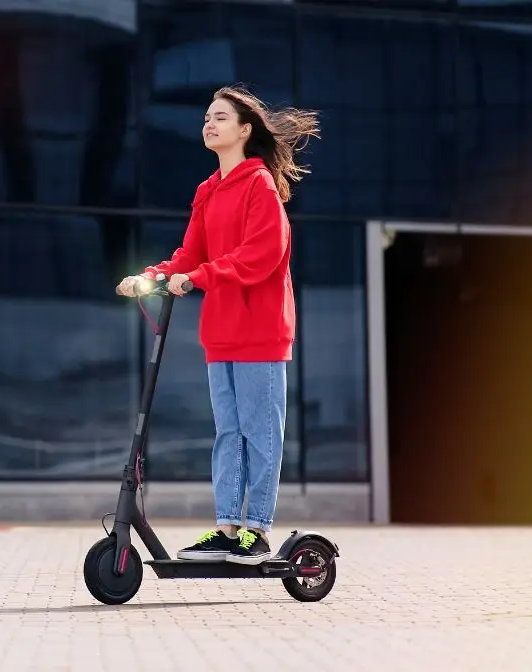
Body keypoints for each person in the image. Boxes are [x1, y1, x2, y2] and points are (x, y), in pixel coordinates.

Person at [116, 86, 319, 565]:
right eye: (207, 118)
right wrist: (153, 276)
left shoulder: (259, 184)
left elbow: (261, 256)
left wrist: (199, 277)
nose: (209, 124)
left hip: (261, 330)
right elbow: (191, 255)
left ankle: (257, 532)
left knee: (259, 432)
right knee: (229, 432)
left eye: (221, 118)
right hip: (221, 332)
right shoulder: (208, 190)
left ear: (245, 131)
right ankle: (228, 528)